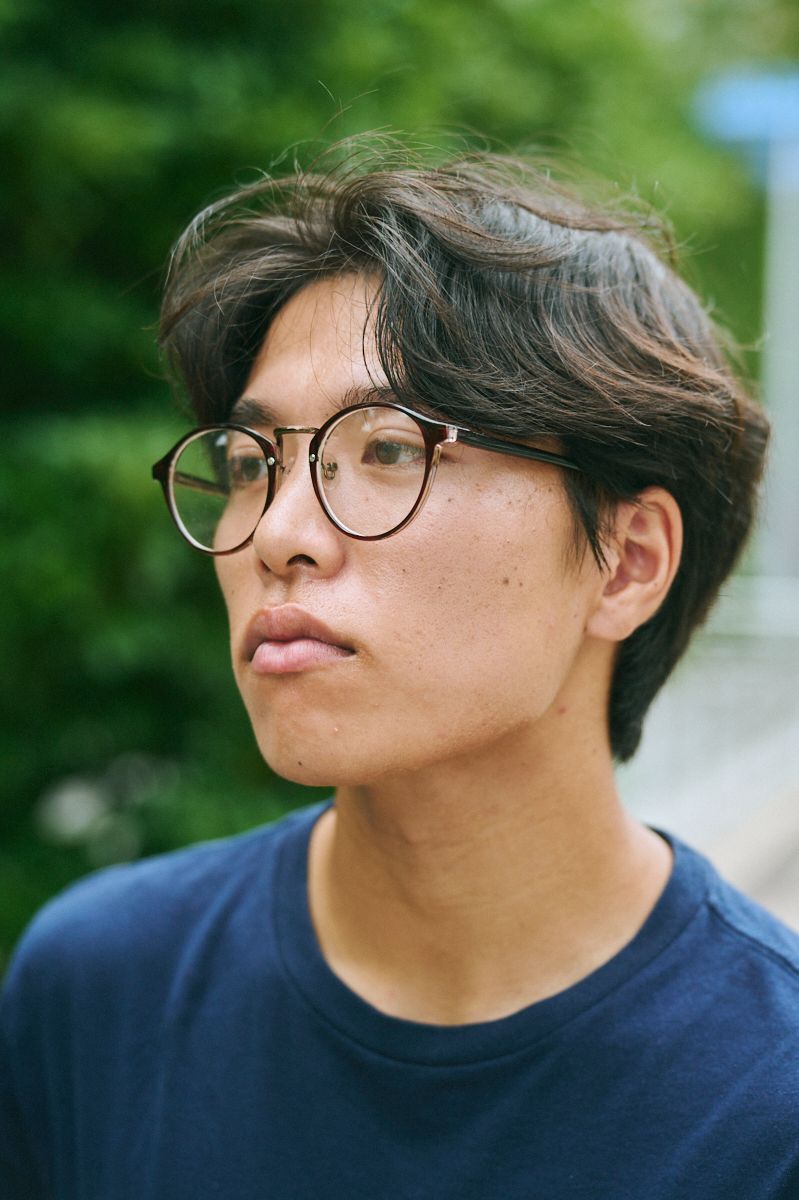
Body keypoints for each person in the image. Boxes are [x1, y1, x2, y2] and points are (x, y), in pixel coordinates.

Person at [2, 143, 796, 1200]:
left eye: (388, 448)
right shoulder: (99, 990)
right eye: (248, 463)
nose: (277, 532)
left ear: (628, 562)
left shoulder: (766, 1099)